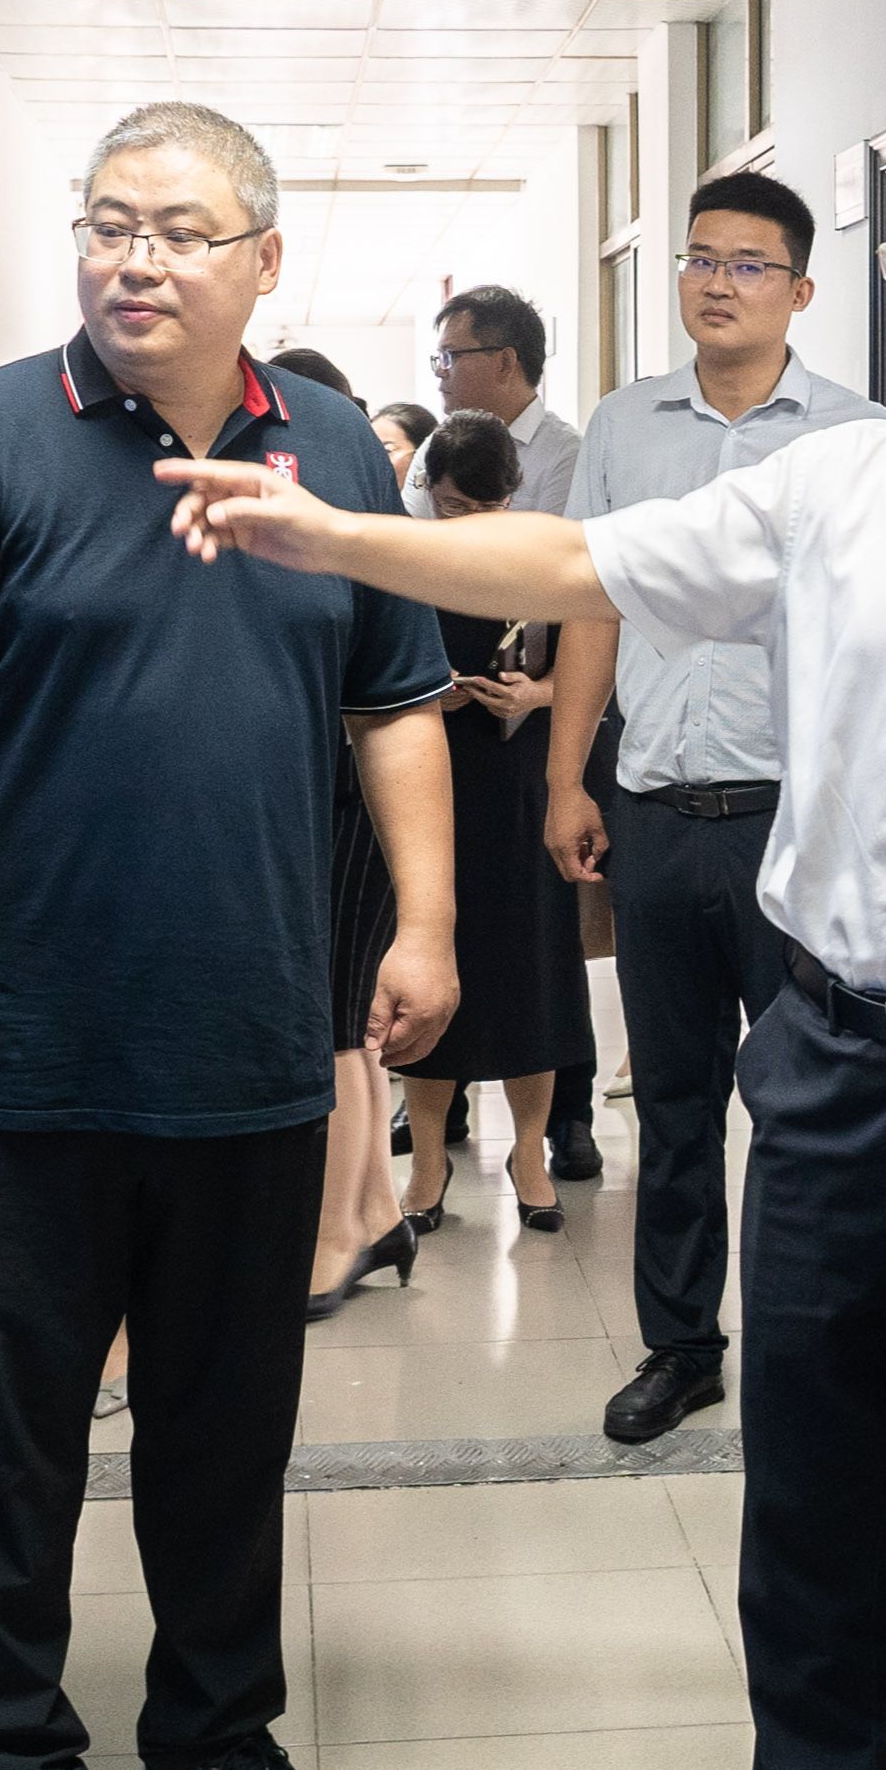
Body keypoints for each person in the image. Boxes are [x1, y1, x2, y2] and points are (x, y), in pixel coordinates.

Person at [158, 97, 886, 1770]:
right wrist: (336, 534)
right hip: (839, 1061)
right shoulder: (845, 485)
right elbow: (576, 553)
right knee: (814, 1513)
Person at [0, 103, 460, 1770]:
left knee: (223, 1423)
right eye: (109, 223)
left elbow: (394, 700)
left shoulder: (329, 447)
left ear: (261, 260)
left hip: (249, 1034)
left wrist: (427, 921)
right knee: (3, 1434)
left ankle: (210, 1740)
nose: (135, 259)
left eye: (181, 230)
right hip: (17, 1049)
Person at [544, 169, 877, 1442]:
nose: (716, 283)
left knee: (810, 1108)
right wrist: (568, 777)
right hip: (657, 811)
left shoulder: (859, 437)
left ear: (801, 289)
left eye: (746, 264)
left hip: (800, 819)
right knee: (673, 1106)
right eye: (698, 259)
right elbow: (589, 601)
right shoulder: (625, 426)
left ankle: (824, 1352)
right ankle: (681, 1348)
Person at [423, 285, 599, 1184]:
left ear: (502, 360)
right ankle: (433, 1136)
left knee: (536, 949)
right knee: (444, 934)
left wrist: (538, 692)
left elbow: (592, 618)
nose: (442, 373)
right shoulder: (429, 483)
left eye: (450, 356)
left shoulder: (572, 458)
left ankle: (556, 1128)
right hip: (446, 750)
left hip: (533, 744)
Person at [270, 352, 428, 1321]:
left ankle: (335, 1237)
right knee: (351, 1025)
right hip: (328, 793)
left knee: (336, 1024)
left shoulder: (353, 519)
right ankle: (374, 1213)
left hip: (351, 791)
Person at [391, 419, 573, 1235]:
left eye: (485, 507)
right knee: (435, 966)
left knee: (530, 972)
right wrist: (423, 693)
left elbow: (593, 661)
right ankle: (428, 1162)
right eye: (453, 506)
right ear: (429, 492)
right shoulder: (406, 561)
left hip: (521, 775)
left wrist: (536, 692)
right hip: (433, 779)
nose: (468, 523)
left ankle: (530, 1153)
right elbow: (371, 675)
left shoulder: (544, 556)